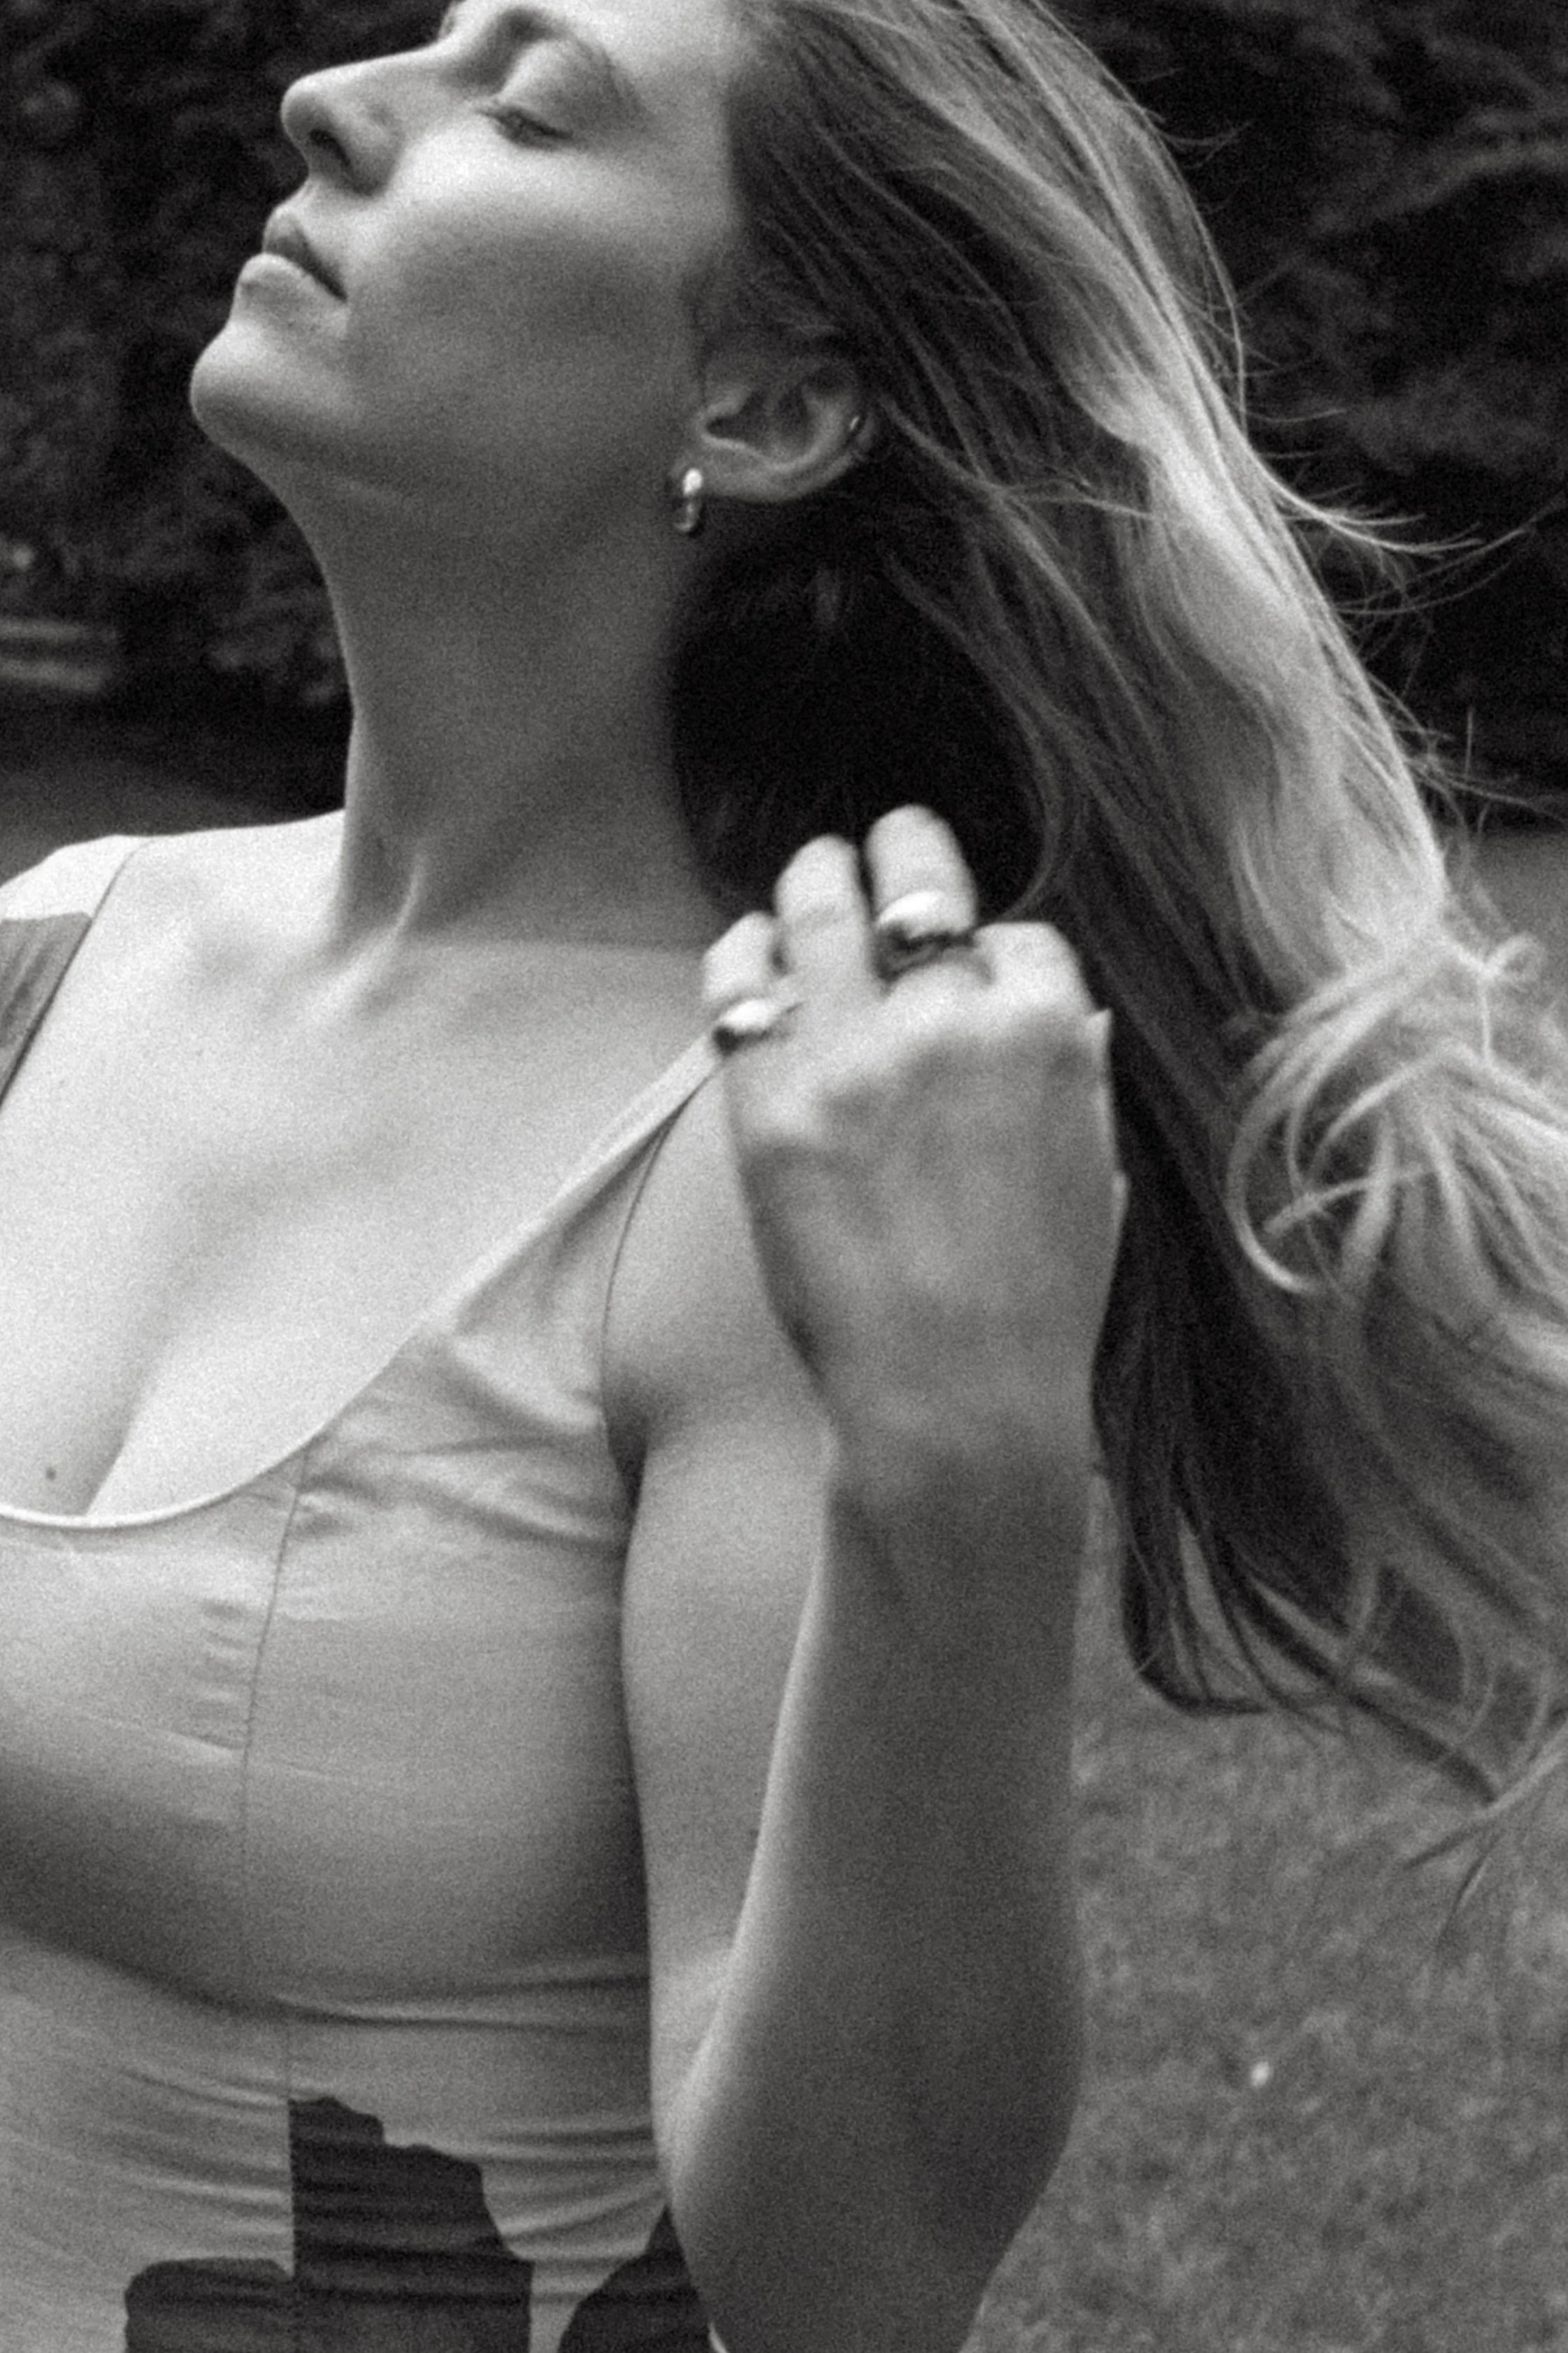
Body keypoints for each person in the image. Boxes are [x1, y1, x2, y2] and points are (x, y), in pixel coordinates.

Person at [1, 0, 1566, 2346]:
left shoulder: (765, 1148)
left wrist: (969, 1444)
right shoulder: (40, 960)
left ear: (762, 407)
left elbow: (846, 2277)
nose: (338, 101)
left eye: (525, 104)